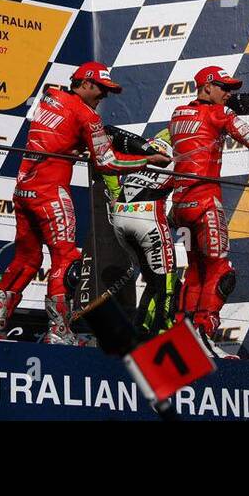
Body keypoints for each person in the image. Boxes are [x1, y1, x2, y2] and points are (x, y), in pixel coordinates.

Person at [0, 62, 168, 345]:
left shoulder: (49, 98)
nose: (103, 96)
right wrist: (147, 160)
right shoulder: (87, 116)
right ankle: (59, 330)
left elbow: (57, 137)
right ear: (87, 83)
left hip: (23, 190)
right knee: (66, 260)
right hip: (52, 192)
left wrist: (76, 145)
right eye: (101, 89)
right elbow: (107, 162)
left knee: (26, 259)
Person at [169, 65, 249, 359]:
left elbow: (227, 108)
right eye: (223, 87)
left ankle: (183, 339)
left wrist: (248, 103)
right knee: (221, 272)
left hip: (180, 205)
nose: (228, 93)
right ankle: (204, 336)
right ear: (207, 87)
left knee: (196, 273)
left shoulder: (179, 114)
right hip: (205, 202)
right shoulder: (218, 113)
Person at [101, 129, 178, 339]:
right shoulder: (181, 154)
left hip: (120, 218)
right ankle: (166, 338)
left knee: (153, 281)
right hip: (148, 218)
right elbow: (184, 197)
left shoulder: (142, 149)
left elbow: (108, 154)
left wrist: (115, 194)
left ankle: (140, 333)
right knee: (168, 285)